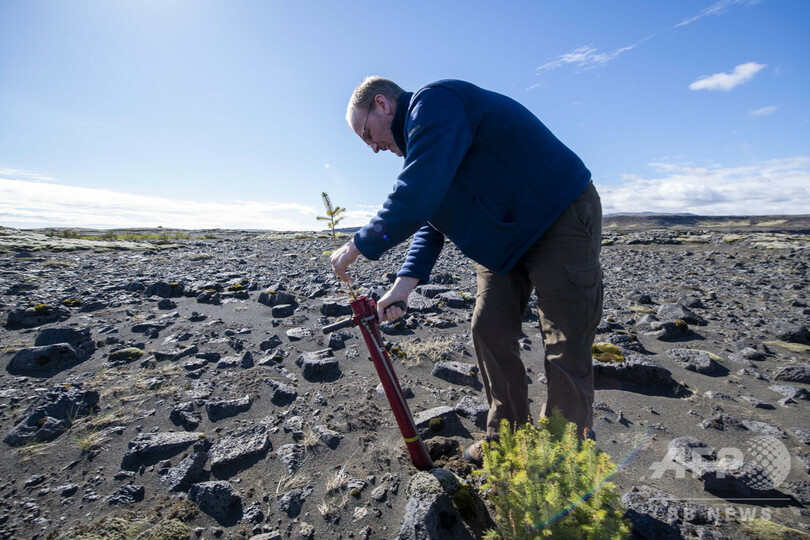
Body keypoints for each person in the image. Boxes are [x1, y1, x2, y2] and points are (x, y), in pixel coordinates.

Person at [331, 76, 603, 465]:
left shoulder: (436, 103)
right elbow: (431, 218)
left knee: (565, 340)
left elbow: (416, 195)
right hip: (503, 243)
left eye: (367, 133)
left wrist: (355, 246)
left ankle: (561, 459)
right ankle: (507, 438)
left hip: (557, 217)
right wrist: (401, 289)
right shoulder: (424, 150)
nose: (372, 146)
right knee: (488, 327)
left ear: (382, 104)